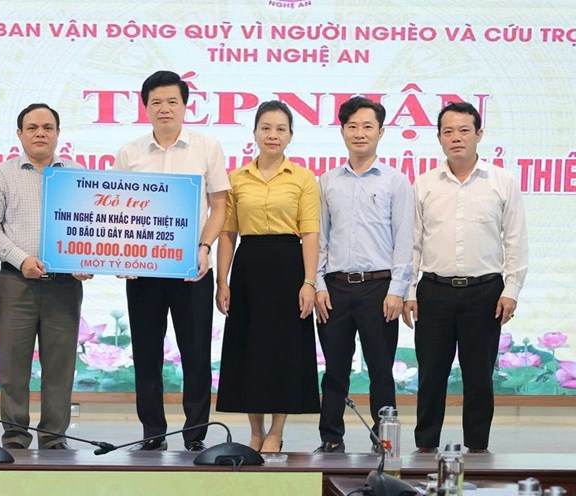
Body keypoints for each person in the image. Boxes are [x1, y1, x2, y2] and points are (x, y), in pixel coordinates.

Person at [113, 70, 230, 452]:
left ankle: (195, 435)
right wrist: (121, 252)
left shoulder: (206, 147)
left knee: (195, 354)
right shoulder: (130, 153)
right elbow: (116, 210)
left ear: (185, 105)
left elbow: (219, 206)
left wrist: (204, 247)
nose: (165, 109)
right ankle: (152, 432)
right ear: (146, 107)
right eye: (157, 102)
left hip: (191, 270)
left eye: (172, 101)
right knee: (146, 354)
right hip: (143, 271)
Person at [403, 102, 528, 454]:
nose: (456, 138)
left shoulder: (502, 182)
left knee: (478, 380)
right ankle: (424, 449)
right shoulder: (425, 183)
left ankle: (477, 450)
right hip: (434, 292)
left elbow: (515, 240)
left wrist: (512, 290)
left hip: (485, 292)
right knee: (430, 378)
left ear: (479, 134)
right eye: (448, 131)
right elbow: (412, 243)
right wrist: (409, 291)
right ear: (439, 137)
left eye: (463, 130)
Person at [0, 103, 91, 450]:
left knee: (60, 365)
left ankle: (54, 437)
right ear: (20, 134)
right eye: (32, 127)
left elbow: (91, 225)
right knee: (13, 367)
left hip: (65, 284)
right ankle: (14, 435)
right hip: (17, 281)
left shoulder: (78, 174)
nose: (40, 133)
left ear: (58, 133)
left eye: (47, 127)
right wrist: (21, 258)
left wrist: (87, 259)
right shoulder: (0, 175)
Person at [215, 101, 320, 453]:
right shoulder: (235, 178)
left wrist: (309, 282)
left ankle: (276, 430)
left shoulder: (303, 178)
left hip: (289, 267)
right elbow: (228, 232)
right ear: (255, 133)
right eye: (266, 128)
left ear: (290, 135)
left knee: (284, 350)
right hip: (249, 268)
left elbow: (311, 233)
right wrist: (222, 281)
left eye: (281, 129)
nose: (273, 135)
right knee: (249, 350)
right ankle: (256, 431)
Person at [313, 96, 414, 453]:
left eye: (367, 126)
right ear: (342, 131)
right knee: (335, 370)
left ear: (381, 131)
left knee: (381, 370)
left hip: (379, 289)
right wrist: (319, 284)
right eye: (352, 126)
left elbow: (404, 240)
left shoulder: (396, 182)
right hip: (335, 290)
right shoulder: (326, 182)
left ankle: (384, 438)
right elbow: (319, 239)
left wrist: (398, 290)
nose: (359, 133)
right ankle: (330, 438)